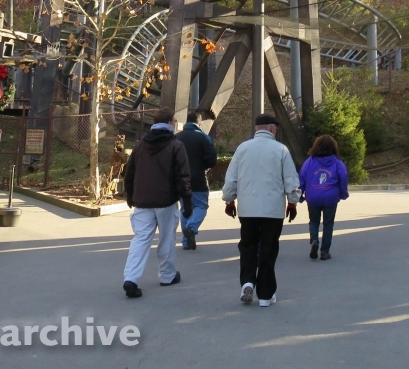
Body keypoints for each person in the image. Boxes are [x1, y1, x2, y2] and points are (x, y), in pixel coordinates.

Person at [222, 114, 301, 307]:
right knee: (268, 249)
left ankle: (247, 282)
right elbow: (290, 180)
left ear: (257, 129)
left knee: (248, 246)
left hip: (247, 210)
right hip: (273, 211)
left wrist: (229, 201)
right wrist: (292, 202)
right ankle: (265, 295)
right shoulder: (281, 150)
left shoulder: (242, 149)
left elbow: (231, 178)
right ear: (273, 129)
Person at [122, 108, 193, 298]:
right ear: (170, 123)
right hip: (166, 200)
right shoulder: (176, 146)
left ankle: (131, 278)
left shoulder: (140, 145)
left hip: (142, 200)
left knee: (140, 239)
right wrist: (187, 202)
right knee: (167, 238)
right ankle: (167, 275)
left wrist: (130, 195)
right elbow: (183, 177)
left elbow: (130, 172)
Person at [298, 134, 349, 261]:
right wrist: (343, 193)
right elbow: (343, 178)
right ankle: (325, 251)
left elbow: (302, 177)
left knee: (314, 221)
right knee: (328, 224)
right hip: (330, 196)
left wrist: (300, 194)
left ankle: (314, 240)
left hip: (313, 196)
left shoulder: (310, 161)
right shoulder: (337, 162)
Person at [175, 111, 218, 250]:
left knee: (185, 209)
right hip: (198, 178)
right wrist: (203, 166)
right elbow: (212, 159)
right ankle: (191, 228)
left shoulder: (176, 138)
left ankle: (186, 242)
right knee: (201, 206)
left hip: (181, 179)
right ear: (199, 123)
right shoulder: (203, 138)